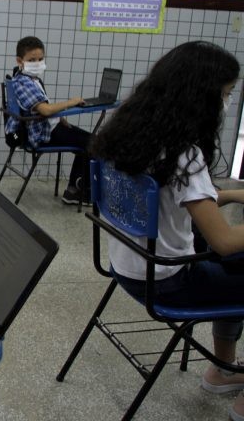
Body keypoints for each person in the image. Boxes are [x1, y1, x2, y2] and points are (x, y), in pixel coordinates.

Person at [90, 40, 244, 420]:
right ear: (200, 97)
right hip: (169, 283)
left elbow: (170, 200)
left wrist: (226, 196)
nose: (225, 104)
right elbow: (224, 242)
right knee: (235, 259)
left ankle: (224, 369)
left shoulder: (127, 133)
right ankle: (229, 377)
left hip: (127, 268)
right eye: (225, 94)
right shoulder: (184, 153)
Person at [4, 36, 92, 204]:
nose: (37, 63)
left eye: (41, 59)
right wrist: (72, 102)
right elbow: (44, 110)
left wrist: (59, 118)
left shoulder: (31, 79)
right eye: (32, 60)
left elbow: (45, 108)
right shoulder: (24, 83)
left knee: (90, 141)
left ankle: (76, 188)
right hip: (41, 133)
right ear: (20, 60)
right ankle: (77, 192)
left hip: (49, 126)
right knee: (93, 144)